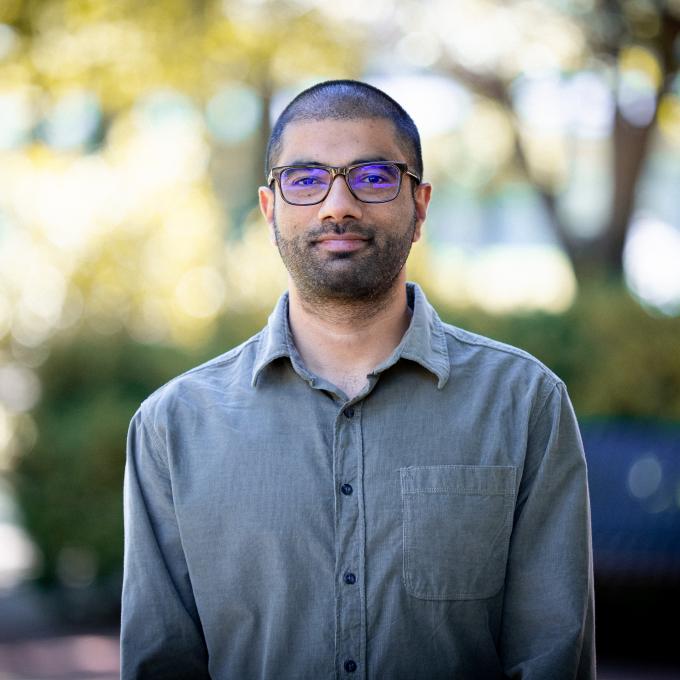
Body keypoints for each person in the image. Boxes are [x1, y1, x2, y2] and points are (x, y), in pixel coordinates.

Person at [121, 79, 595, 679]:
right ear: (271, 210)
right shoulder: (173, 427)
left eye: (372, 177)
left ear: (419, 206)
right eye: (305, 178)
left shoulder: (524, 404)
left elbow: (552, 658)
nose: (337, 205)